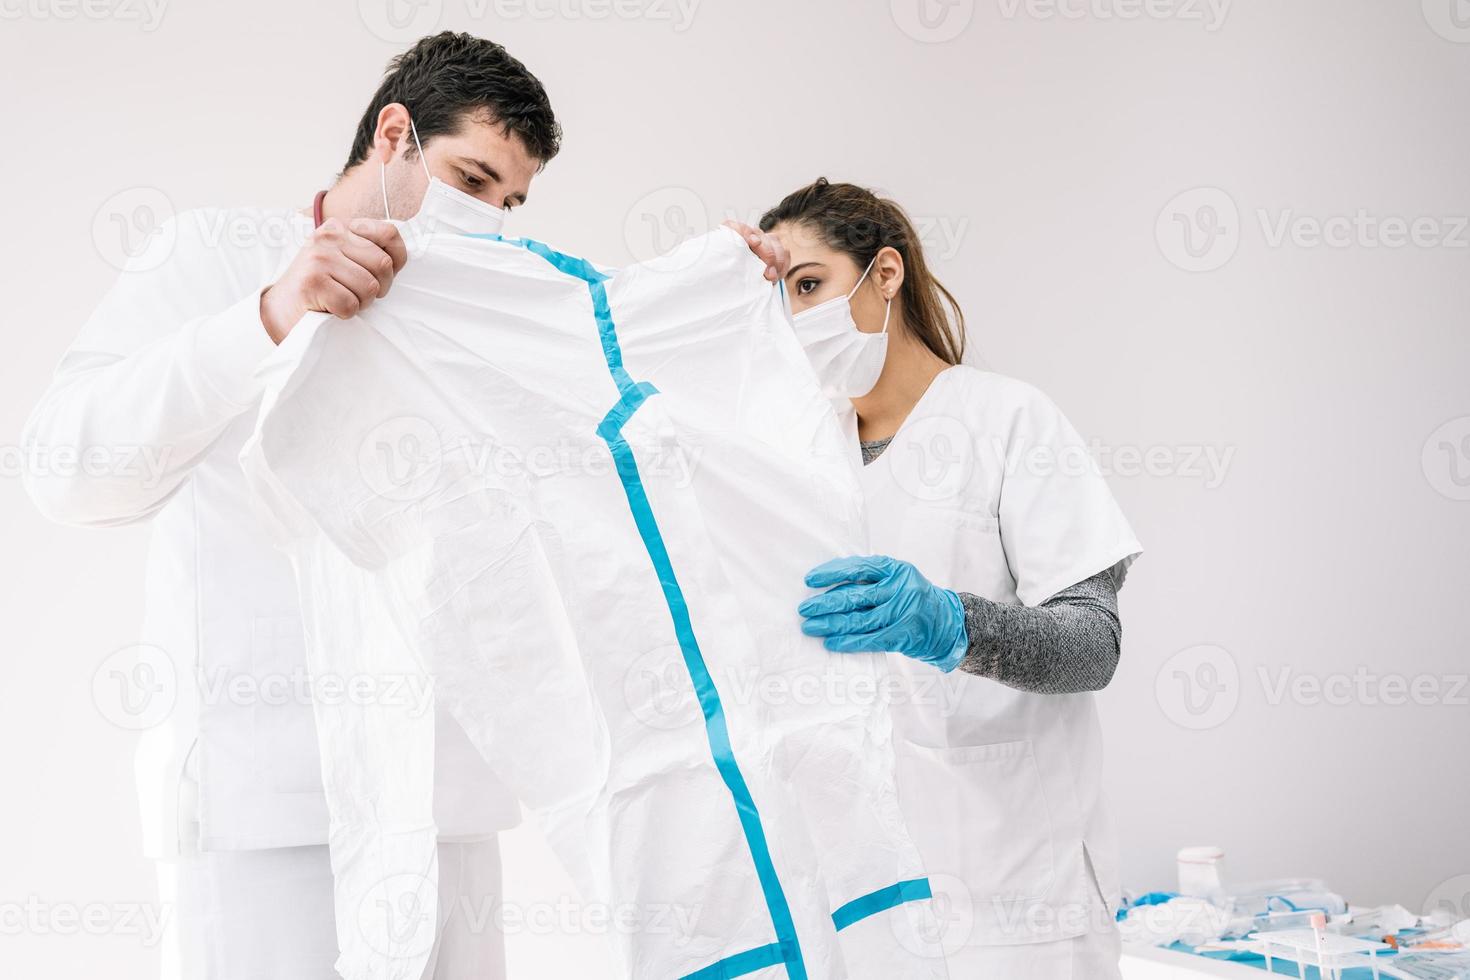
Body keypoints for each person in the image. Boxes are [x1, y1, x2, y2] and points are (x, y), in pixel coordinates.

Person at [22, 32, 788, 980]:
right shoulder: (212, 257)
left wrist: (721, 302)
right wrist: (270, 313)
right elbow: (68, 470)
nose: (491, 220)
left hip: (445, 808)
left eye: (510, 202)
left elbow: (606, 408)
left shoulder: (489, 304)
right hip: (263, 808)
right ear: (395, 136)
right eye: (473, 178)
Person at [737, 178, 1143, 978]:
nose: (796, 316)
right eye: (779, 296)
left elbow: (1094, 644)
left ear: (884, 273)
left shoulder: (1008, 420)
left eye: (810, 284)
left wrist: (953, 624)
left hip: (1017, 887)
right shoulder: (801, 455)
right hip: (869, 892)